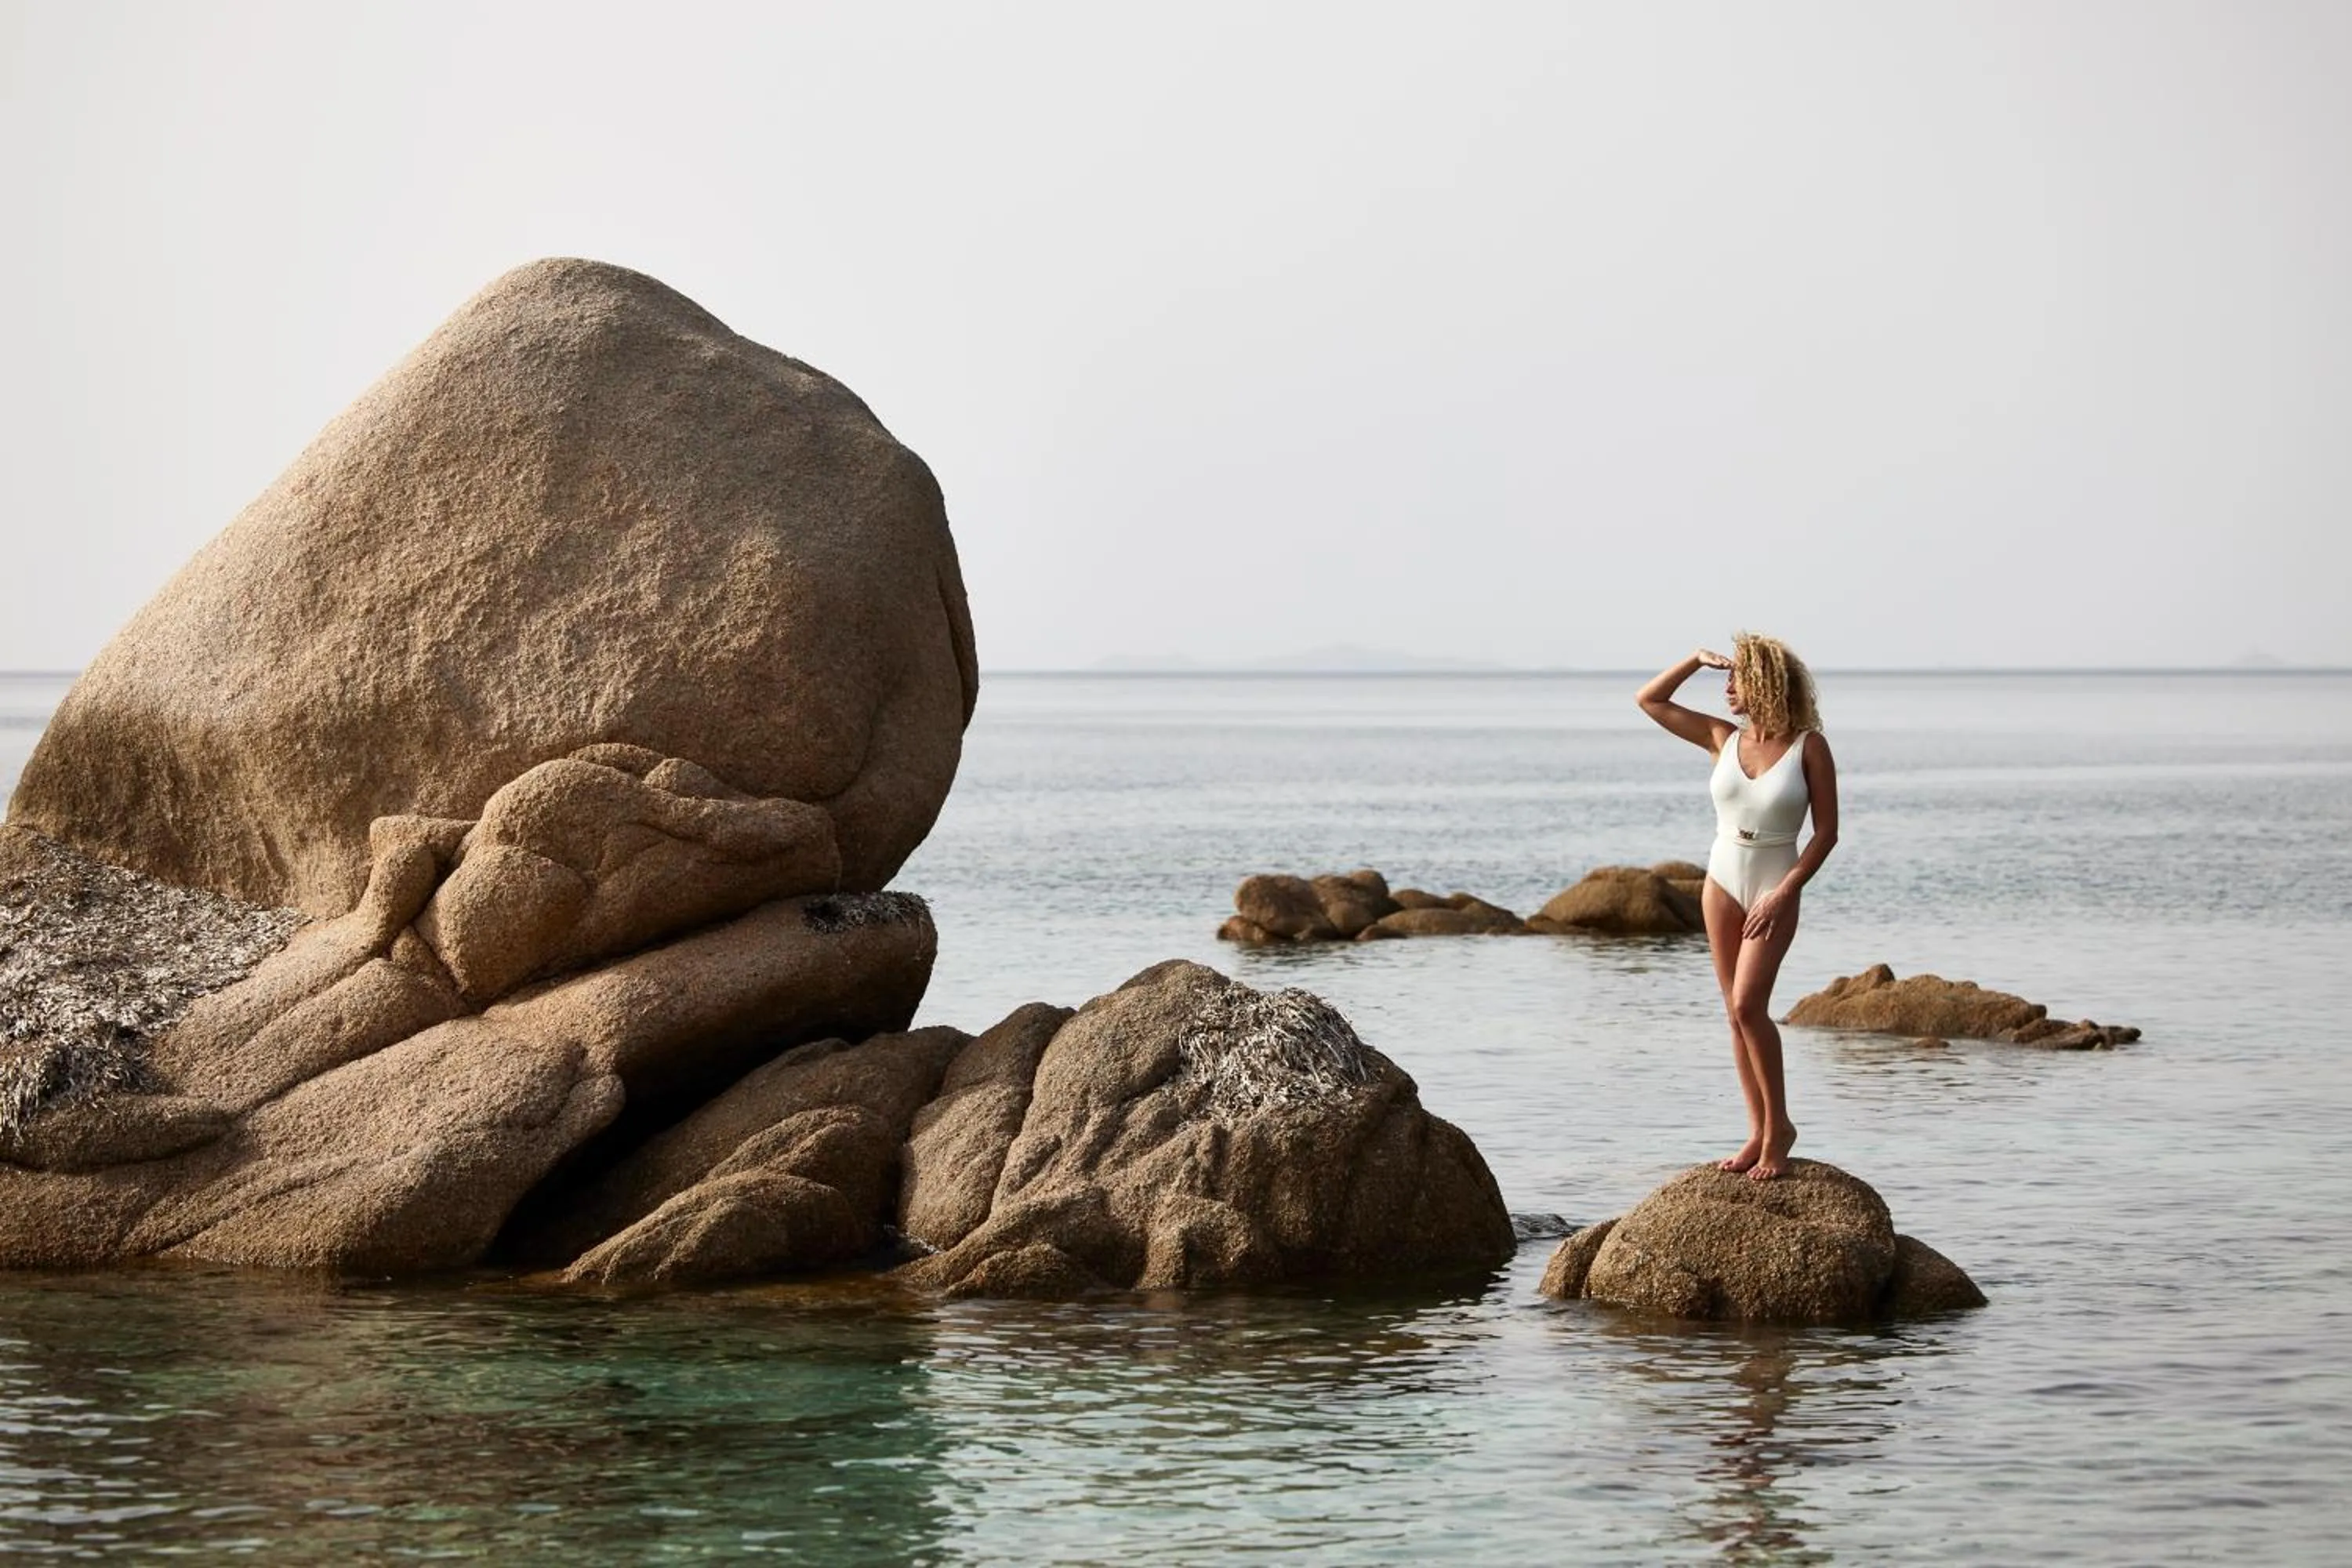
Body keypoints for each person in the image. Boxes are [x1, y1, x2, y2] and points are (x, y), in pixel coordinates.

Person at [1636, 635, 1838, 1181]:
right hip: (1721, 879)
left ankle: (1781, 1131)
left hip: (1774, 881)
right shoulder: (1721, 738)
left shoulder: (1808, 747)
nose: (1727, 687)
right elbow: (1650, 701)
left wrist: (1786, 890)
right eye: (1725, 678)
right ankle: (1757, 1130)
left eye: (1737, 677)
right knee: (1733, 1012)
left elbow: (1826, 835)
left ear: (1767, 682)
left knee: (1751, 1005)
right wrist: (1694, 659)